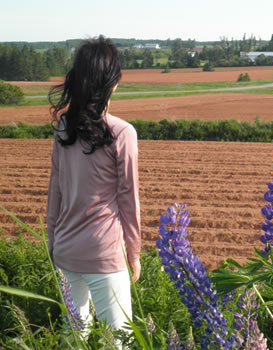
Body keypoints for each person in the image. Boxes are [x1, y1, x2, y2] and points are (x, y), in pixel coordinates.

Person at [46, 36, 141, 335]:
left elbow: (55, 191)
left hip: (65, 249)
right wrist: (134, 254)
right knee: (120, 339)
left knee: (75, 336)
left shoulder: (63, 128)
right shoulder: (122, 133)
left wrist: (52, 242)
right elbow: (129, 199)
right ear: (111, 83)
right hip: (104, 252)